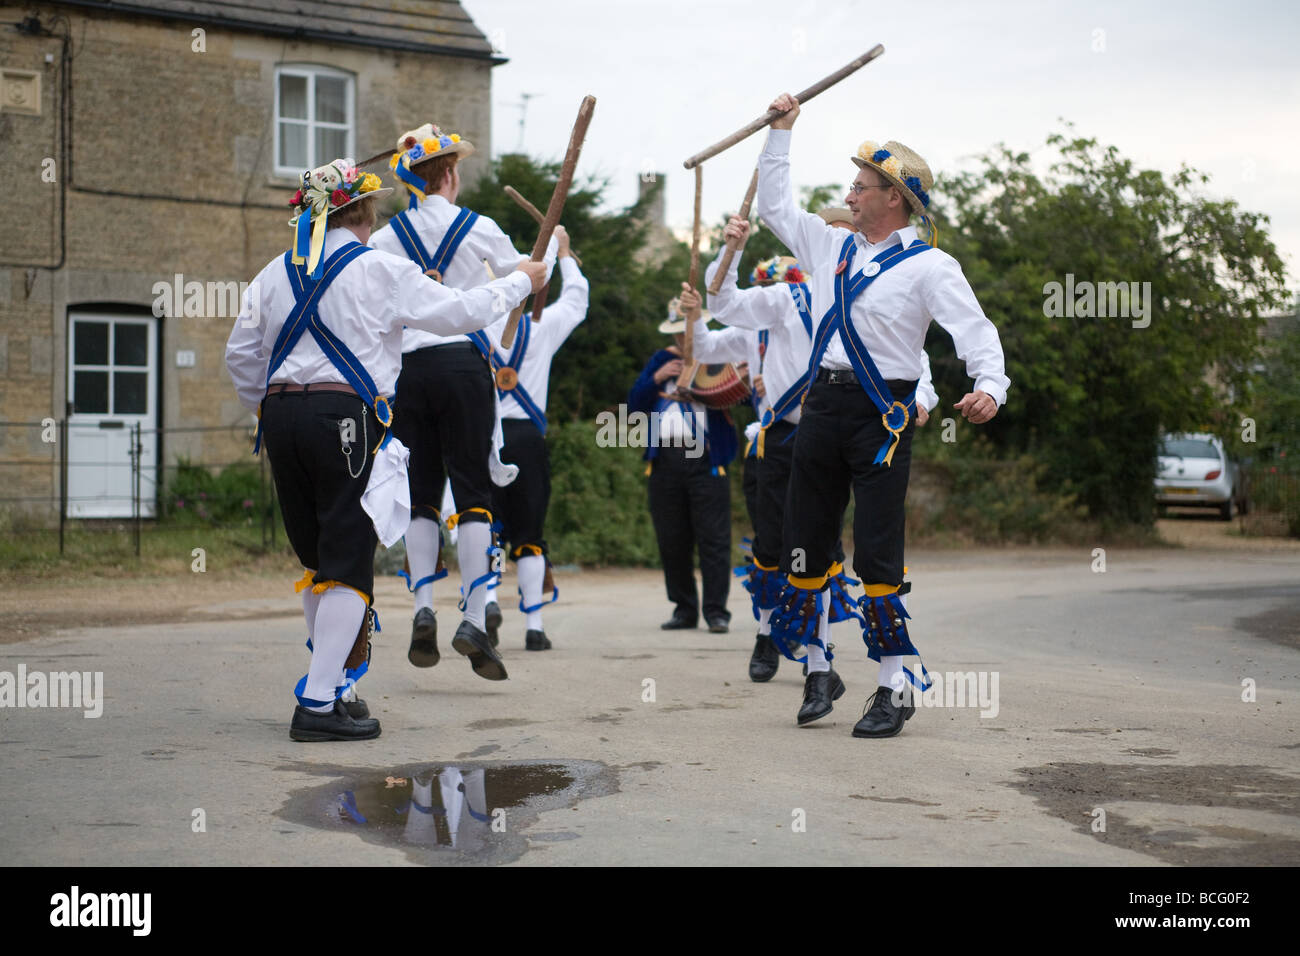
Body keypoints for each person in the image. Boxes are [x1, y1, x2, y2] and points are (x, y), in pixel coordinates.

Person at [225, 158, 545, 741]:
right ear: (365, 214)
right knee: (348, 556)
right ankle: (318, 703)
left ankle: (339, 687)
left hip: (280, 415)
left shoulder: (274, 271)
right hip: (343, 416)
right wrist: (523, 279)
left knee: (317, 559)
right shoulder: (379, 269)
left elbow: (240, 354)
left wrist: (267, 410)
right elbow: (460, 312)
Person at [757, 92, 1009, 737]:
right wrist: (781, 132)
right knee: (804, 541)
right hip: (821, 406)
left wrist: (990, 385)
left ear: (892, 197)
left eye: (861, 185)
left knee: (875, 551)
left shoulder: (930, 265)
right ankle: (818, 666)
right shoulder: (829, 247)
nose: (851, 193)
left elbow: (972, 330)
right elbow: (773, 206)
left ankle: (894, 688)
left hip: (883, 414)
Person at [692, 213, 939, 686]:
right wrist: (731, 249)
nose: (845, 246)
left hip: (860, 430)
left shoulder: (883, 291)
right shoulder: (788, 297)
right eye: (835, 237)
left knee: (841, 550)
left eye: (852, 236)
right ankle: (772, 637)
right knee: (775, 545)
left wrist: (922, 399)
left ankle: (825, 659)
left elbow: (915, 360)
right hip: (785, 435)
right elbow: (723, 304)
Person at [370, 123, 557, 682]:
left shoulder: (382, 240)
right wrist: (541, 264)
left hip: (409, 374)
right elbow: (528, 278)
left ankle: (423, 608)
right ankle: (473, 617)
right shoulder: (480, 228)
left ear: (408, 182)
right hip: (462, 367)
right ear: (449, 174)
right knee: (472, 489)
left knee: (422, 492)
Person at [475, 226, 589, 650]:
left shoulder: (476, 326)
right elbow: (577, 300)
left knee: (484, 524)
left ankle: (486, 599)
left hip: (486, 437)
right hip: (527, 438)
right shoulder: (543, 329)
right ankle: (535, 627)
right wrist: (564, 252)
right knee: (530, 532)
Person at [628, 299, 738, 632]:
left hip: (705, 459)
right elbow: (633, 405)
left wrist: (702, 391)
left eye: (686, 331)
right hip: (664, 459)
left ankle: (716, 611)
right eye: (677, 333)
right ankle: (683, 609)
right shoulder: (661, 361)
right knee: (672, 538)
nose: (682, 339)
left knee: (714, 539)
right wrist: (657, 378)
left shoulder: (715, 357)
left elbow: (739, 396)